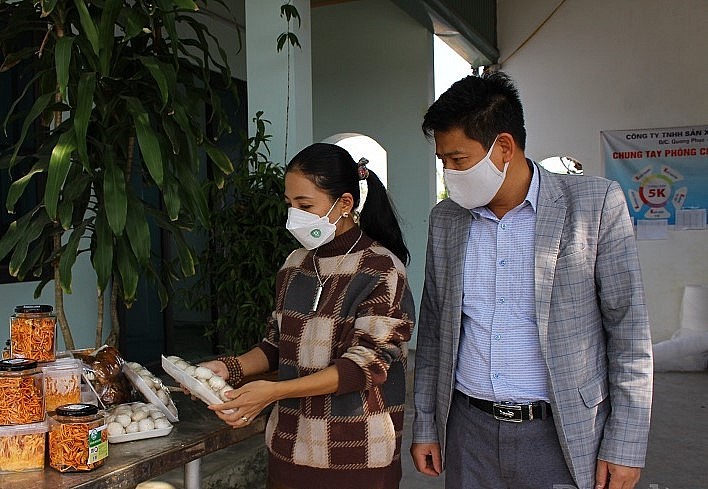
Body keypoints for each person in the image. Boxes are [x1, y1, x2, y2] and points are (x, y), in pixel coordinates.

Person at [410, 72, 653, 489]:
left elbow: (628, 328)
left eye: (458, 159)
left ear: (504, 147)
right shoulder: (447, 220)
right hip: (469, 432)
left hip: (562, 433)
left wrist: (626, 443)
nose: (449, 172)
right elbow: (434, 329)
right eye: (442, 161)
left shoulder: (594, 205)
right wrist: (427, 423)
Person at [197, 142, 416, 489]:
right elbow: (275, 345)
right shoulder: (294, 264)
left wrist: (274, 392)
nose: (294, 215)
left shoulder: (382, 269)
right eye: (290, 204)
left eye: (305, 205)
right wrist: (229, 368)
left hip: (356, 455)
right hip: (289, 450)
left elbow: (364, 367)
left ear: (345, 204)